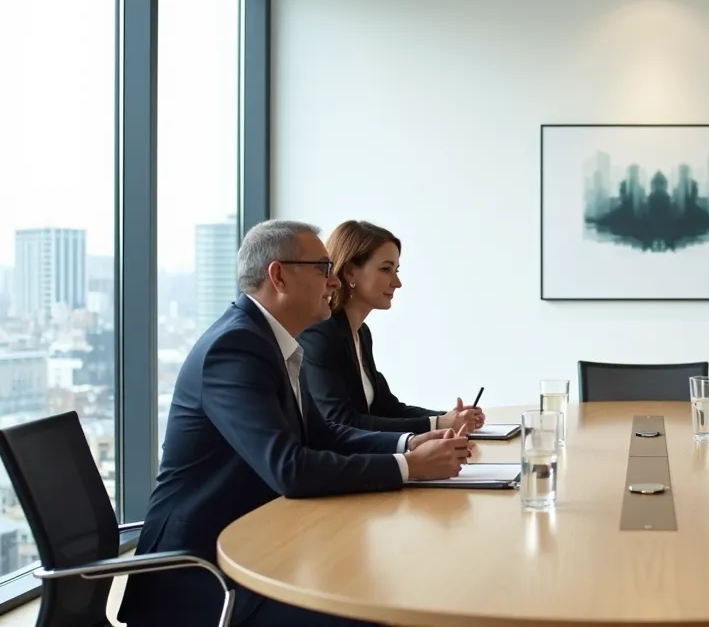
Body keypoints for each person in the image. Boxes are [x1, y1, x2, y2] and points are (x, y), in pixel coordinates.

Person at [117, 220, 473, 627]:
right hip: (199, 574)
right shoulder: (234, 348)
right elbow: (289, 468)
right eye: (323, 268)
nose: (334, 281)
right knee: (375, 611)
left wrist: (409, 445)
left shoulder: (275, 340)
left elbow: (324, 434)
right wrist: (411, 468)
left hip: (253, 546)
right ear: (279, 275)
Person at [299, 220, 485, 434]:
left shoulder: (361, 333)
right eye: (386, 269)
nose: (397, 282)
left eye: (396, 269)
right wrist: (438, 424)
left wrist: (448, 417)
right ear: (350, 272)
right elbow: (342, 421)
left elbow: (386, 408)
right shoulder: (320, 334)